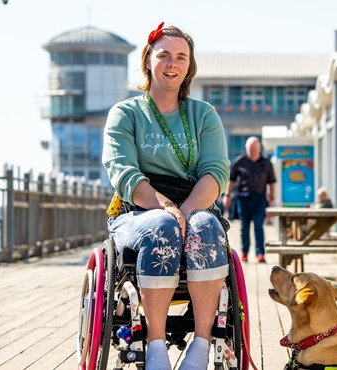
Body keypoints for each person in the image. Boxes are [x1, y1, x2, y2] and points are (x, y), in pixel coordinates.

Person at [102, 22, 230, 370]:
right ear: (148, 61)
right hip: (138, 209)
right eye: (163, 56)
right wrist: (165, 207)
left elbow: (216, 173)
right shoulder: (125, 114)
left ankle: (201, 346)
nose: (171, 64)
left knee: (205, 226)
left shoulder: (203, 114)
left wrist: (186, 210)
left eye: (180, 57)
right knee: (162, 225)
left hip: (195, 203)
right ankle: (155, 347)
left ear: (189, 66)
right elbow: (124, 172)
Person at [222, 136, 276, 263]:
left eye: (255, 149)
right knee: (244, 228)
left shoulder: (266, 163)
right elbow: (232, 179)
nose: (253, 151)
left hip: (260, 199)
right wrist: (227, 195)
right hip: (243, 199)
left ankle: (260, 254)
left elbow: (272, 182)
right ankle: (245, 253)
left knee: (259, 227)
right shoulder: (240, 161)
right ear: (247, 149)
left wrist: (272, 199)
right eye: (251, 149)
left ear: (259, 149)